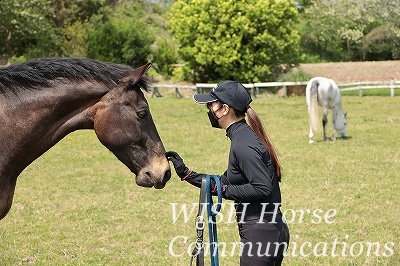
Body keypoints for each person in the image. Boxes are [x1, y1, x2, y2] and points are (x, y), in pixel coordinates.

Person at [166, 80, 289, 266]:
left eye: (211, 104)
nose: (208, 109)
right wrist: (188, 174)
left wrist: (224, 190)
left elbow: (262, 188)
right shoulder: (241, 137)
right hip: (266, 231)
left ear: (225, 109)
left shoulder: (243, 143)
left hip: (261, 234)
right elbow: (224, 181)